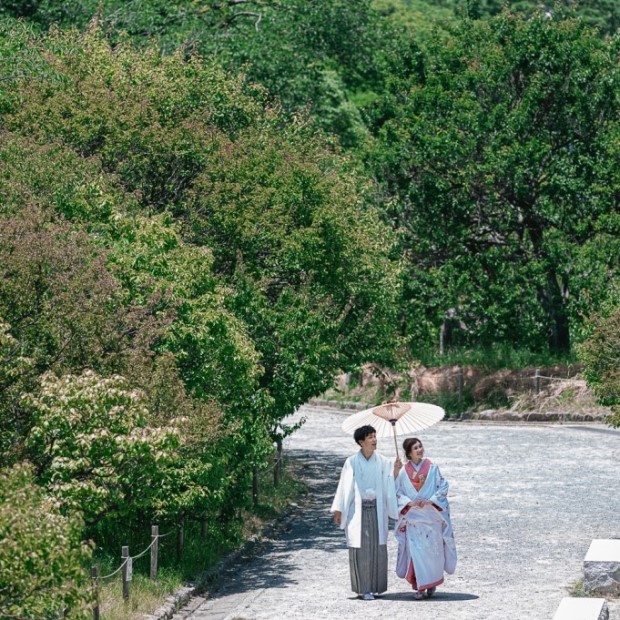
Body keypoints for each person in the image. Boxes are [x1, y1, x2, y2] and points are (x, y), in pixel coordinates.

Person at [330, 425, 402, 601]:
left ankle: (376, 587)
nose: (374, 440)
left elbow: (389, 482)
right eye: (370, 437)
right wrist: (339, 508)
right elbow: (344, 486)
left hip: (377, 509)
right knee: (361, 549)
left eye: (375, 436)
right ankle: (364, 589)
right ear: (361, 442)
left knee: (377, 547)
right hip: (358, 511)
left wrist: (396, 470)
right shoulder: (352, 462)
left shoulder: (383, 461)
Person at [394, 436, 457, 600]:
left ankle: (432, 582)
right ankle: (420, 587)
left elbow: (443, 487)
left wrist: (431, 500)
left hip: (431, 516)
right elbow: (398, 492)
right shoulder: (402, 472)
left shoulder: (433, 468)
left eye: (420, 446)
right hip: (414, 518)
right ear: (408, 453)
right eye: (415, 448)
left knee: (432, 554)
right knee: (416, 553)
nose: (419, 450)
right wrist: (409, 502)